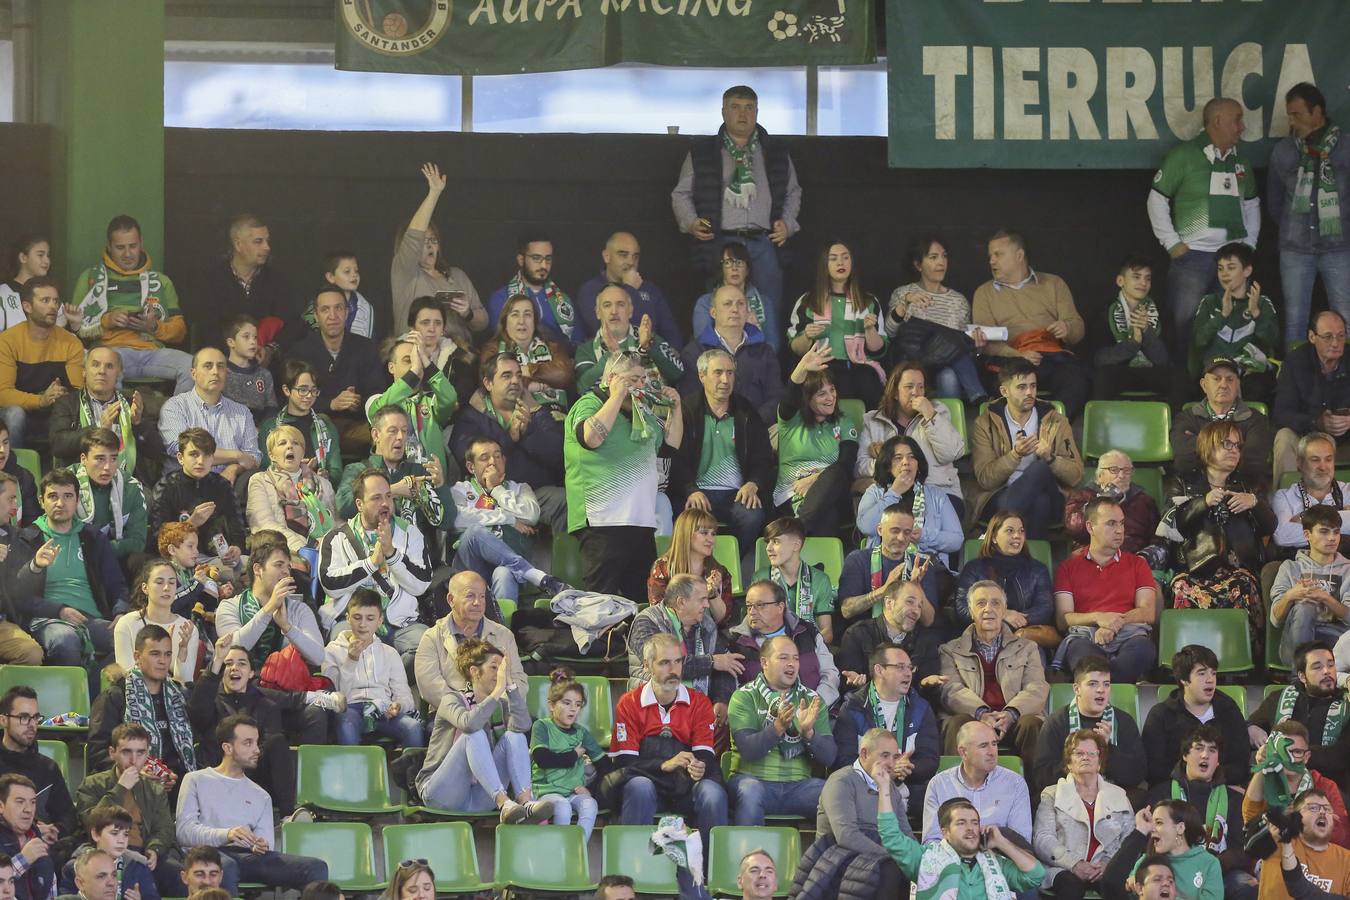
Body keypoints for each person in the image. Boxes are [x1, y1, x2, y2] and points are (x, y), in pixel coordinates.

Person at [671, 84, 800, 345]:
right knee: (722, 308)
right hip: (720, 243)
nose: (743, 114)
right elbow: (680, 194)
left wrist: (787, 224)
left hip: (765, 243)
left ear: (757, 112)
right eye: (735, 107)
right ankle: (718, 367)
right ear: (723, 112)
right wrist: (691, 222)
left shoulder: (775, 151)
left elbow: (793, 192)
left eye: (749, 108)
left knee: (769, 310)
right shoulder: (703, 151)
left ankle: (768, 367)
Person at [563, 351, 683, 602]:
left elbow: (670, 446)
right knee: (600, 601)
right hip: (602, 520)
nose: (640, 385)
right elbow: (591, 438)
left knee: (643, 600)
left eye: (642, 379)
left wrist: (676, 409)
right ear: (612, 378)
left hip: (640, 521)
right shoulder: (589, 403)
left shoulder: (642, 412)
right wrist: (617, 394)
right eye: (633, 379)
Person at [1147, 96, 1260, 352]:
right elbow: (1156, 199)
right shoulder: (1183, 156)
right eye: (1237, 120)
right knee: (1186, 323)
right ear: (1217, 121)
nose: (1242, 127)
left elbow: (1252, 204)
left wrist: (1248, 246)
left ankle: (1224, 383)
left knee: (1232, 322)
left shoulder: (1241, 162)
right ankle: (1186, 385)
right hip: (1192, 259)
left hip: (1232, 258)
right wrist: (1172, 243)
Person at [175, 715, 328, 895]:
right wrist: (227, 834)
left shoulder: (261, 795)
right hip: (209, 855)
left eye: (257, 743)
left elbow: (266, 845)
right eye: (248, 743)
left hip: (249, 858)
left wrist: (259, 844)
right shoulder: (196, 780)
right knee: (228, 867)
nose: (256, 750)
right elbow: (184, 832)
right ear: (228, 748)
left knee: (316, 867)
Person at [1161, 419, 1274, 655]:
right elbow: (1171, 526)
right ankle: (1187, 663)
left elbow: (1269, 527)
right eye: (1227, 444)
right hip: (1193, 568)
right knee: (1182, 587)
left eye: (1237, 446)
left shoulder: (1249, 484)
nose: (1234, 451)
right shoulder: (1181, 482)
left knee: (1243, 585)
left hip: (1238, 568)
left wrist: (1254, 503)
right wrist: (1203, 502)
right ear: (1207, 446)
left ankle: (1241, 660)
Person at [606, 633, 728, 849]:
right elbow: (625, 763)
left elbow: (705, 755)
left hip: (686, 785)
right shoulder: (629, 704)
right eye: (664, 663)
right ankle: (634, 866)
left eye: (678, 661)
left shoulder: (699, 702)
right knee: (639, 786)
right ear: (646, 665)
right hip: (648, 782)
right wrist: (663, 764)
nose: (673, 670)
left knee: (713, 792)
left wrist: (699, 767)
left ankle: (711, 871)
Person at [187, 643, 329, 818]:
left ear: (251, 673)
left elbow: (269, 740)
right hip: (220, 772)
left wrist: (246, 753)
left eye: (241, 663)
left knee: (277, 741)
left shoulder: (266, 704)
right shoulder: (210, 700)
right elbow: (197, 714)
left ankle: (289, 816)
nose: (234, 668)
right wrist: (216, 660)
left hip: (254, 773)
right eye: (228, 663)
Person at [412, 636, 544, 821]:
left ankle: (525, 801)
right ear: (474, 672)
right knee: (473, 735)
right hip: (442, 794)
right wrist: (498, 690)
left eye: (501, 669)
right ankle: (504, 802)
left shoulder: (501, 705)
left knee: (514, 736)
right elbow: (469, 724)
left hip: (479, 797)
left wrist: (511, 686)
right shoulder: (452, 699)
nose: (499, 674)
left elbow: (522, 726)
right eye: (494, 667)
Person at [13, 468, 128, 670]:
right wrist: (59, 610)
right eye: (52, 496)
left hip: (92, 619)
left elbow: (116, 584)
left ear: (77, 501)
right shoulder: (27, 538)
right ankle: (79, 696)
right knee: (65, 641)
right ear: (41, 501)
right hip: (49, 619)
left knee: (130, 639)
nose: (60, 503)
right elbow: (17, 595)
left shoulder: (94, 538)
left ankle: (98, 696)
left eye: (67, 496)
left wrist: (120, 613)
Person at [971, 229, 1090, 420]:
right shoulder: (984, 293)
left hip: (1051, 356)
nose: (991, 261)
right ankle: (1023, 437)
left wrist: (1066, 328)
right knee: (1004, 386)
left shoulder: (1053, 283)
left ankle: (1052, 430)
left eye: (998, 254)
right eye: (990, 256)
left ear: (1019, 255)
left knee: (1076, 379)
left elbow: (1077, 328)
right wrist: (1018, 355)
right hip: (1011, 359)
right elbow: (987, 343)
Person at [669, 348, 773, 564]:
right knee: (682, 517)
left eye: (730, 373)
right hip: (698, 492)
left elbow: (764, 459)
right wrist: (691, 490)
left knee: (752, 516)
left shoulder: (747, 412)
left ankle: (727, 566)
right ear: (701, 376)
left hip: (736, 493)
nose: (725, 379)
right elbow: (675, 458)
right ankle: (695, 566)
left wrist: (753, 483)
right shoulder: (686, 411)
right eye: (718, 373)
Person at [68, 215, 192, 395]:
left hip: (152, 352)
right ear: (109, 246)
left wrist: (154, 327)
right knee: (105, 366)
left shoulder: (160, 281)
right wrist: (108, 320)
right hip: (111, 351)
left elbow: (180, 332)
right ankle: (114, 422)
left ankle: (175, 420)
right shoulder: (90, 278)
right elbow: (74, 331)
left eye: (132, 246)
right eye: (120, 247)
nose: (127, 254)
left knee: (193, 366)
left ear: (141, 243)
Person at [1267, 83, 1350, 349]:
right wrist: (1294, 228)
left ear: (1317, 112)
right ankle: (1295, 382)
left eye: (1297, 114)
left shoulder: (1346, 148)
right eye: (1289, 115)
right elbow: (1275, 201)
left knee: (1345, 317)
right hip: (1295, 249)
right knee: (1295, 320)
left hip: (1339, 246)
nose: (1291, 121)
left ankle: (1345, 380)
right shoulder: (1284, 150)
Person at [318, 468, 430, 661]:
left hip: (400, 623)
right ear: (359, 504)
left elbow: (421, 584)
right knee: (343, 650)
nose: (385, 503)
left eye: (388, 496)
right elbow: (330, 585)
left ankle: (387, 679)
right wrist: (370, 563)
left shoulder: (410, 533)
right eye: (376, 498)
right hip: (353, 621)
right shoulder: (336, 537)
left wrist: (392, 554)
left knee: (428, 648)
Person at [451, 354, 566, 535]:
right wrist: (509, 439)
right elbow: (465, 455)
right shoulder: (471, 417)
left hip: (536, 494)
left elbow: (559, 453)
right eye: (506, 375)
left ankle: (563, 562)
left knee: (565, 500)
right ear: (488, 383)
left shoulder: (535, 411)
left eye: (519, 375)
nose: (515, 381)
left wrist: (528, 432)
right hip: (488, 497)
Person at [788, 727, 909, 900]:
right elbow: (847, 836)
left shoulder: (891, 789)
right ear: (865, 754)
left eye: (895, 757)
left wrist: (916, 859)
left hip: (877, 857)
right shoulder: (841, 781)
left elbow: (906, 834)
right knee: (890, 869)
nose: (891, 763)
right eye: (885, 755)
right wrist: (889, 856)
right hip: (838, 858)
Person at [937, 581, 1049, 767]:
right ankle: (956, 793)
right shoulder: (950, 650)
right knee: (958, 723)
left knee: (1031, 723)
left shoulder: (1028, 648)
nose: (988, 609)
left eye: (996, 603)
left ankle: (1036, 793)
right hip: (973, 717)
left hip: (1014, 721)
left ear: (1004, 611)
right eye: (981, 603)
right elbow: (951, 690)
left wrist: (1011, 713)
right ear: (971, 612)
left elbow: (1037, 687)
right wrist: (981, 713)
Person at [970, 356, 1084, 539]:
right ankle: (1031, 561)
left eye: (1033, 386)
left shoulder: (1055, 420)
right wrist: (1014, 455)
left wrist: (1050, 458)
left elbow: (1076, 475)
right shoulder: (985, 424)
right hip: (1001, 495)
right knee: (1040, 503)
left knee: (1041, 468)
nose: (1030, 392)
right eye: (1022, 387)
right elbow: (986, 479)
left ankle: (997, 534)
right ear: (1004, 391)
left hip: (1052, 494)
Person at [727, 636, 835, 826]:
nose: (791, 664)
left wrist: (809, 734)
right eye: (784, 658)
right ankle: (747, 855)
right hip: (754, 781)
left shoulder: (811, 699)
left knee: (833, 796)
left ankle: (826, 856)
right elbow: (748, 751)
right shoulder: (744, 696)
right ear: (764, 662)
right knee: (750, 791)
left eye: (795, 658)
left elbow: (829, 757)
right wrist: (777, 728)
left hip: (799, 788)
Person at [450, 437, 569, 608]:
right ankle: (534, 574)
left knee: (504, 573)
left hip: (508, 569)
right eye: (484, 458)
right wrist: (510, 519)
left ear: (504, 461)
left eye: (497, 456)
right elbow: (457, 519)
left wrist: (496, 489)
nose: (492, 462)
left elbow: (531, 515)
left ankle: (502, 631)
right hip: (470, 566)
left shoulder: (520, 489)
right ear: (471, 467)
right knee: (474, 532)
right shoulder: (460, 490)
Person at [1143, 725, 1256, 900]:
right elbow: (1150, 842)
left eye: (1212, 750)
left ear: (1218, 760)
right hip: (1172, 870)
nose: (1205, 755)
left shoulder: (1234, 799)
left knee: (1246, 886)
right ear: (1185, 755)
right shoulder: (1160, 795)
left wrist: (1211, 865)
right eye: (1198, 748)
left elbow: (1241, 848)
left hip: (1220, 870)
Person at [1053, 497, 1159, 682]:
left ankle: (1104, 685)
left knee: (1144, 649)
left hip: (1129, 635)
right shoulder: (1068, 568)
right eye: (1111, 524)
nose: (1120, 530)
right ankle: (1112, 686)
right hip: (1086, 636)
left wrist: (1114, 623)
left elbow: (1148, 612)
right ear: (1090, 527)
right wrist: (1098, 618)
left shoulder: (1137, 564)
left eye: (1122, 523)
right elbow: (1064, 620)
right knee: (1081, 654)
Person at [73, 724, 178, 899]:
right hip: (104, 849)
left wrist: (155, 848)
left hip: (144, 850)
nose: (133, 760)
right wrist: (120, 788)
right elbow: (90, 823)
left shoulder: (154, 789)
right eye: (126, 752)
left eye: (140, 753)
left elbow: (164, 827)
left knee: (176, 872)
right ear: (112, 752)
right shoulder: (93, 784)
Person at [337, 405, 450, 564]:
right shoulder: (358, 470)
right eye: (392, 431)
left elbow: (448, 521)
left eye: (404, 431)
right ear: (376, 434)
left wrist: (440, 485)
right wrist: (393, 491)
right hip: (375, 563)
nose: (400, 437)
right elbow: (345, 507)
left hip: (422, 563)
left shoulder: (419, 470)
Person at [88, 625, 198, 786]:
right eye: (155, 654)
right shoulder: (115, 697)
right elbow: (98, 753)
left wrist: (171, 778)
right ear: (137, 656)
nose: (162, 661)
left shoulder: (179, 696)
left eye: (167, 654)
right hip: (130, 788)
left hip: (177, 787)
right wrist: (138, 773)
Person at [834, 642, 940, 807]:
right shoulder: (854, 707)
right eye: (900, 667)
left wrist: (909, 767)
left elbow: (930, 759)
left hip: (906, 788)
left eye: (909, 668)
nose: (908, 673)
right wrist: (878, 769)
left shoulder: (921, 708)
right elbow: (843, 759)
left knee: (936, 796)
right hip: (864, 788)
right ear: (879, 670)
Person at [1032, 729, 1135, 900]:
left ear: (1099, 762)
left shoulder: (1119, 795)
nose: (1085, 757)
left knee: (1115, 884)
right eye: (1079, 753)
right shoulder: (1052, 794)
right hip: (1064, 868)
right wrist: (1074, 864)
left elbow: (1129, 838)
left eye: (1091, 754)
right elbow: (1043, 838)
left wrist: (1109, 864)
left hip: (1105, 867)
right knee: (1070, 887)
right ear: (1069, 763)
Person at [883, 793, 1046, 900]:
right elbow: (892, 837)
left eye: (974, 823)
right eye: (961, 823)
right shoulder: (925, 858)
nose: (970, 828)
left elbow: (1036, 874)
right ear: (945, 832)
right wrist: (884, 787)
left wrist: (1001, 843)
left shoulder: (996, 863)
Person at [854, 360, 966, 515]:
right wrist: (893, 464)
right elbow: (860, 466)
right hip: (892, 491)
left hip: (938, 490)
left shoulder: (938, 412)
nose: (916, 392)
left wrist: (930, 416)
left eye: (921, 387)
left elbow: (952, 453)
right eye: (909, 387)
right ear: (894, 392)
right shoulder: (873, 421)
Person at [391, 164, 485, 348]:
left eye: (433, 240)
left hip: (457, 358)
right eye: (423, 241)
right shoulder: (405, 272)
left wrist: (468, 313)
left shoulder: (457, 275)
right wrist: (434, 194)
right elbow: (412, 238)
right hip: (416, 355)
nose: (430, 244)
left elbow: (483, 323)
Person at [885, 235, 987, 404]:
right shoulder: (903, 292)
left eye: (944, 256)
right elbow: (889, 332)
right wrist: (905, 304)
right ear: (918, 264)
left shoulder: (958, 301)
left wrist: (978, 348)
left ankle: (949, 425)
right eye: (933, 257)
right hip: (913, 362)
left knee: (949, 374)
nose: (941, 263)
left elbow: (961, 347)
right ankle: (977, 394)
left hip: (945, 363)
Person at [786, 241, 886, 407]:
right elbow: (795, 349)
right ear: (824, 265)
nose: (841, 263)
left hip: (859, 367)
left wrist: (869, 330)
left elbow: (879, 350)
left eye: (845, 258)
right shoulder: (808, 301)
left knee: (869, 381)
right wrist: (807, 335)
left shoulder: (868, 301)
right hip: (823, 366)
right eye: (833, 259)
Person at [321, 590, 425, 748]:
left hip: (382, 707)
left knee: (413, 728)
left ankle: (406, 772)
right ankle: (353, 771)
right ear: (348, 618)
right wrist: (351, 660)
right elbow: (336, 697)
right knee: (345, 724)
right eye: (357, 617)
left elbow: (404, 695)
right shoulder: (332, 650)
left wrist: (398, 706)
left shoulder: (389, 652)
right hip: (350, 707)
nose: (363, 624)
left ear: (380, 621)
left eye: (370, 618)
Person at [774, 344, 858, 536]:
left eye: (832, 390)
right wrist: (802, 367)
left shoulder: (844, 422)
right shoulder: (790, 420)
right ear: (807, 398)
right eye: (822, 393)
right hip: (793, 493)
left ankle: (796, 531)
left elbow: (846, 464)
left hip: (834, 491)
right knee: (828, 517)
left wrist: (816, 479)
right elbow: (789, 397)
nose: (831, 398)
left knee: (837, 471)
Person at [286, 288, 385, 449]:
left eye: (338, 308)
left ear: (346, 312)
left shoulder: (365, 347)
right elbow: (292, 399)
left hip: (358, 424)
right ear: (316, 316)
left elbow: (378, 394)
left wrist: (356, 402)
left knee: (387, 432)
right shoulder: (299, 351)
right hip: (314, 425)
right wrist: (331, 404)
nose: (333, 316)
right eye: (325, 310)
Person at [1033, 656, 1146, 796]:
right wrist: (1078, 760)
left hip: (1112, 798)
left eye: (1106, 684)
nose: (1101, 690)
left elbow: (1137, 775)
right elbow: (1041, 777)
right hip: (1067, 797)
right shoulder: (1056, 723)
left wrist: (1107, 750)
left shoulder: (1124, 722)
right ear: (1077, 689)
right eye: (1093, 684)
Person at [193, 213, 303, 355]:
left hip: (268, 365)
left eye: (267, 241)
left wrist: (270, 350)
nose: (267, 247)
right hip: (224, 362)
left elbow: (293, 325)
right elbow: (207, 329)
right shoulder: (210, 281)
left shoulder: (277, 280)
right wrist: (237, 354)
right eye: (258, 241)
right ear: (238, 244)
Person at [1141, 647, 1251, 788]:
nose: (1210, 680)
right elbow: (1154, 770)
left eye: (1213, 673)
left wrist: (1213, 779)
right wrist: (1192, 778)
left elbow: (1241, 764)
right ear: (1184, 679)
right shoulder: (1161, 715)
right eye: (1202, 673)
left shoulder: (1229, 711)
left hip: (1222, 789)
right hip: (1176, 792)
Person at [627, 575, 737, 716]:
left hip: (696, 711)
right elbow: (663, 665)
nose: (707, 605)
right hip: (652, 711)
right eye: (702, 599)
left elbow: (726, 665)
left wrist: (721, 700)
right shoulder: (646, 621)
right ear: (681, 602)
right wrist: (711, 662)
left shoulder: (707, 624)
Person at [216, 530, 326, 671]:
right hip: (243, 688)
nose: (286, 572)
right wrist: (268, 609)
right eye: (279, 565)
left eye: (288, 567)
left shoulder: (299, 609)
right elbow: (232, 651)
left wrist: (287, 628)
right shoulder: (229, 606)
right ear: (257, 569)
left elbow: (318, 657)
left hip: (286, 689)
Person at [1248, 641, 1350, 790]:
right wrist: (1250, 727)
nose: (1327, 671)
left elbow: (1340, 757)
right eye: (1317, 667)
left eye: (1330, 664)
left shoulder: (1347, 707)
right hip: (1277, 785)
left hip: (1326, 791)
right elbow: (1249, 735)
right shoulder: (1279, 698)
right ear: (1302, 676)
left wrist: (1290, 753)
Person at [856, 434, 963, 573]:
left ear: (918, 464)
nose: (906, 462)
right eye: (898, 458)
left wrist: (924, 536)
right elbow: (866, 526)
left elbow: (956, 540)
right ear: (888, 465)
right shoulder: (874, 492)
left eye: (912, 457)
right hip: (885, 566)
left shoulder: (937, 495)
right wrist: (894, 492)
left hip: (926, 568)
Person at [726, 580, 840, 707]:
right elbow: (734, 691)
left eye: (760, 605)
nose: (752, 611)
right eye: (749, 606)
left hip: (817, 713)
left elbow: (830, 674)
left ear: (780, 607)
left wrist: (815, 707)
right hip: (763, 721)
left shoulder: (806, 632)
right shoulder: (735, 643)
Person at [0, 277, 84, 449]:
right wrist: (41, 400)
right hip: (22, 414)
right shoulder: (7, 341)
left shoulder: (71, 342)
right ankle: (12, 472)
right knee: (14, 414)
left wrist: (60, 396)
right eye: (45, 300)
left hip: (57, 413)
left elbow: (78, 392)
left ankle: (71, 472)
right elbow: (3, 394)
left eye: (55, 301)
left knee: (80, 411)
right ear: (27, 306)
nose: (53, 306)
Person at [415, 569, 529, 696]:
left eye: (482, 596)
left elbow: (519, 681)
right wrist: (467, 709)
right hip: (450, 713)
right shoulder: (432, 637)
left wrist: (494, 707)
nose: (478, 603)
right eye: (470, 596)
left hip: (498, 711)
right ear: (451, 600)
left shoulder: (504, 635)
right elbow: (429, 687)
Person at [953, 512, 1058, 649]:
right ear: (994, 537)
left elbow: (1045, 608)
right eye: (1010, 531)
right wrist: (1002, 615)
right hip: (984, 635)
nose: (1017, 536)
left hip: (1025, 637)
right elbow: (962, 607)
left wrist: (1018, 621)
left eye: (1021, 531)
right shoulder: (975, 568)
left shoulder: (1037, 569)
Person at [156, 348, 261, 484]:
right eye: (208, 366)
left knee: (256, 479)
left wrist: (235, 467)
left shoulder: (242, 412)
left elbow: (253, 457)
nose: (215, 372)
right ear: (193, 374)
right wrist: (236, 455)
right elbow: (184, 451)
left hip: (229, 485)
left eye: (221, 366)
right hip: (185, 485)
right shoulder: (175, 407)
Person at [680, 285, 782, 423]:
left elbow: (776, 397)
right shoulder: (694, 352)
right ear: (713, 312)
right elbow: (690, 401)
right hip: (712, 433)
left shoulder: (764, 351)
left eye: (740, 304)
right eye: (728, 304)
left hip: (759, 429)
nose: (735, 309)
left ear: (747, 312)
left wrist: (752, 423)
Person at [1191, 242, 1278, 401]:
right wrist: (1222, 315)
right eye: (1220, 268)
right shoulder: (1209, 302)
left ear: (1247, 271)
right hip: (1215, 371)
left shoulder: (1263, 302)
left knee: (1258, 387)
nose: (1224, 274)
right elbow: (1199, 341)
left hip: (1249, 374)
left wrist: (1256, 314)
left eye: (1231, 267)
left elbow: (1272, 341)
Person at [146, 429, 246, 568]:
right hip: (178, 561)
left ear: (212, 459)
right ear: (180, 458)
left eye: (206, 455)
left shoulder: (222, 486)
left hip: (217, 558)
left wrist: (237, 548)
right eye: (194, 454)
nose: (200, 461)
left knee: (247, 565)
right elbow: (157, 540)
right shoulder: (165, 487)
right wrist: (191, 524)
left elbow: (237, 528)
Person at [47, 347, 151, 477]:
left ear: (118, 373)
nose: (102, 371)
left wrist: (138, 424)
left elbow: (155, 451)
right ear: (84, 371)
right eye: (95, 365)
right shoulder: (66, 403)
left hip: (127, 481)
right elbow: (58, 445)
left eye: (109, 366)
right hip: (78, 484)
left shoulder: (132, 405)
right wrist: (98, 427)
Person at [1273, 311, 1350, 486]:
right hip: (1306, 438)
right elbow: (1281, 414)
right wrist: (1316, 423)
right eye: (1328, 337)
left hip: (1345, 441)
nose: (1336, 343)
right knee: (1284, 437)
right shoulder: (1295, 362)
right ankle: (1287, 503)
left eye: (1341, 336)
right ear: (1312, 336)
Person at [367, 331, 458, 476]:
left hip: (433, 485)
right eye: (408, 360)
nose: (416, 364)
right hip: (394, 486)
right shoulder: (379, 400)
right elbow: (376, 411)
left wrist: (427, 363)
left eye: (418, 360)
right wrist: (414, 372)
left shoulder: (431, 402)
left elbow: (450, 398)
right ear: (391, 367)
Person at [1172, 356, 1274, 486]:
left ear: (1237, 385)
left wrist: (1204, 447)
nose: (1223, 384)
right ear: (1204, 385)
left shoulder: (1256, 419)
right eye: (1216, 379)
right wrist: (1230, 453)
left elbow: (1254, 460)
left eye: (1230, 379)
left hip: (1243, 489)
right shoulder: (1186, 418)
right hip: (1194, 488)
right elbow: (1183, 456)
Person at [529, 670, 604, 843]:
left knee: (590, 804)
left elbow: (604, 764)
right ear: (552, 705)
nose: (573, 709)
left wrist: (591, 790)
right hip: (547, 791)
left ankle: (577, 852)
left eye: (578, 704)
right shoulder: (542, 726)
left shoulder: (581, 733)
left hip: (573, 791)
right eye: (567, 703)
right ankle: (558, 854)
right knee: (562, 807)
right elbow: (543, 759)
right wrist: (573, 755)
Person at [1271, 504, 1350, 667]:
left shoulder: (1348, 569)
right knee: (1305, 606)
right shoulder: (1290, 567)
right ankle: (1302, 675)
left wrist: (1326, 598)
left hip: (1336, 644)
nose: (1332, 538)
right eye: (1324, 531)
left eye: (1336, 532)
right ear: (1307, 535)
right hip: (1295, 644)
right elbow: (1275, 620)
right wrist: (1290, 596)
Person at [1094, 255, 1179, 402]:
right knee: (1103, 376)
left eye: (1147, 278)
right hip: (1120, 372)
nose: (1143, 283)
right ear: (1120, 281)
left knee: (1179, 378)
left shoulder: (1162, 311)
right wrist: (1133, 343)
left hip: (1152, 371)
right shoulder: (1103, 311)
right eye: (1137, 277)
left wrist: (1146, 331)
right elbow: (1100, 359)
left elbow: (1164, 360)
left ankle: (1172, 423)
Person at [245, 425, 338, 559]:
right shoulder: (260, 481)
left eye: (296, 443)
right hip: (280, 553)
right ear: (271, 455)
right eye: (282, 443)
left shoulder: (323, 484)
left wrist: (331, 546)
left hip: (326, 553)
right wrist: (304, 549)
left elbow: (335, 522)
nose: (290, 446)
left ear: (303, 452)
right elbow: (263, 525)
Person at [838, 505, 940, 625]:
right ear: (880, 530)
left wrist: (916, 587)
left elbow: (928, 621)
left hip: (909, 636)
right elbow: (846, 610)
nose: (901, 538)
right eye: (895, 531)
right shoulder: (858, 560)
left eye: (907, 532)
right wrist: (883, 591)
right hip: (867, 633)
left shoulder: (920, 565)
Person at [1099, 801, 1223, 900]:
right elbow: (1111, 882)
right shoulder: (1147, 861)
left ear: (1180, 828)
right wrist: (1141, 829)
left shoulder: (1209, 863)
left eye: (1158, 822)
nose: (1152, 828)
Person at [686, 245, 784, 369]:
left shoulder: (764, 302)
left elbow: (773, 345)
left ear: (747, 270)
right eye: (728, 262)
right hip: (717, 367)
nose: (734, 267)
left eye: (739, 262)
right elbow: (703, 343)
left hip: (756, 365)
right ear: (721, 269)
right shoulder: (705, 302)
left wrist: (755, 333)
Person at [574, 284, 683, 395]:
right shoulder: (586, 349)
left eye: (620, 304)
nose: (614, 311)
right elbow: (581, 388)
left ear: (630, 311)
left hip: (652, 409)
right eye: (607, 305)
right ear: (598, 312)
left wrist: (649, 347)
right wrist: (613, 355)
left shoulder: (649, 339)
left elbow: (677, 374)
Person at [575, 232, 681, 345]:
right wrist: (630, 289)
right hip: (610, 357)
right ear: (607, 256)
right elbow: (606, 329)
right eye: (623, 255)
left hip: (651, 355)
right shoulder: (591, 289)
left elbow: (671, 332)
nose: (631, 262)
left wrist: (673, 353)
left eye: (635, 256)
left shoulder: (649, 289)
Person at [836, 579, 943, 688]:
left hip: (911, 704)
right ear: (889, 603)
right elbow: (848, 691)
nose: (916, 611)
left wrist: (926, 685)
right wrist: (857, 686)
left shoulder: (926, 640)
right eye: (910, 602)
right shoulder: (857, 634)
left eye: (920, 606)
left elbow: (928, 692)